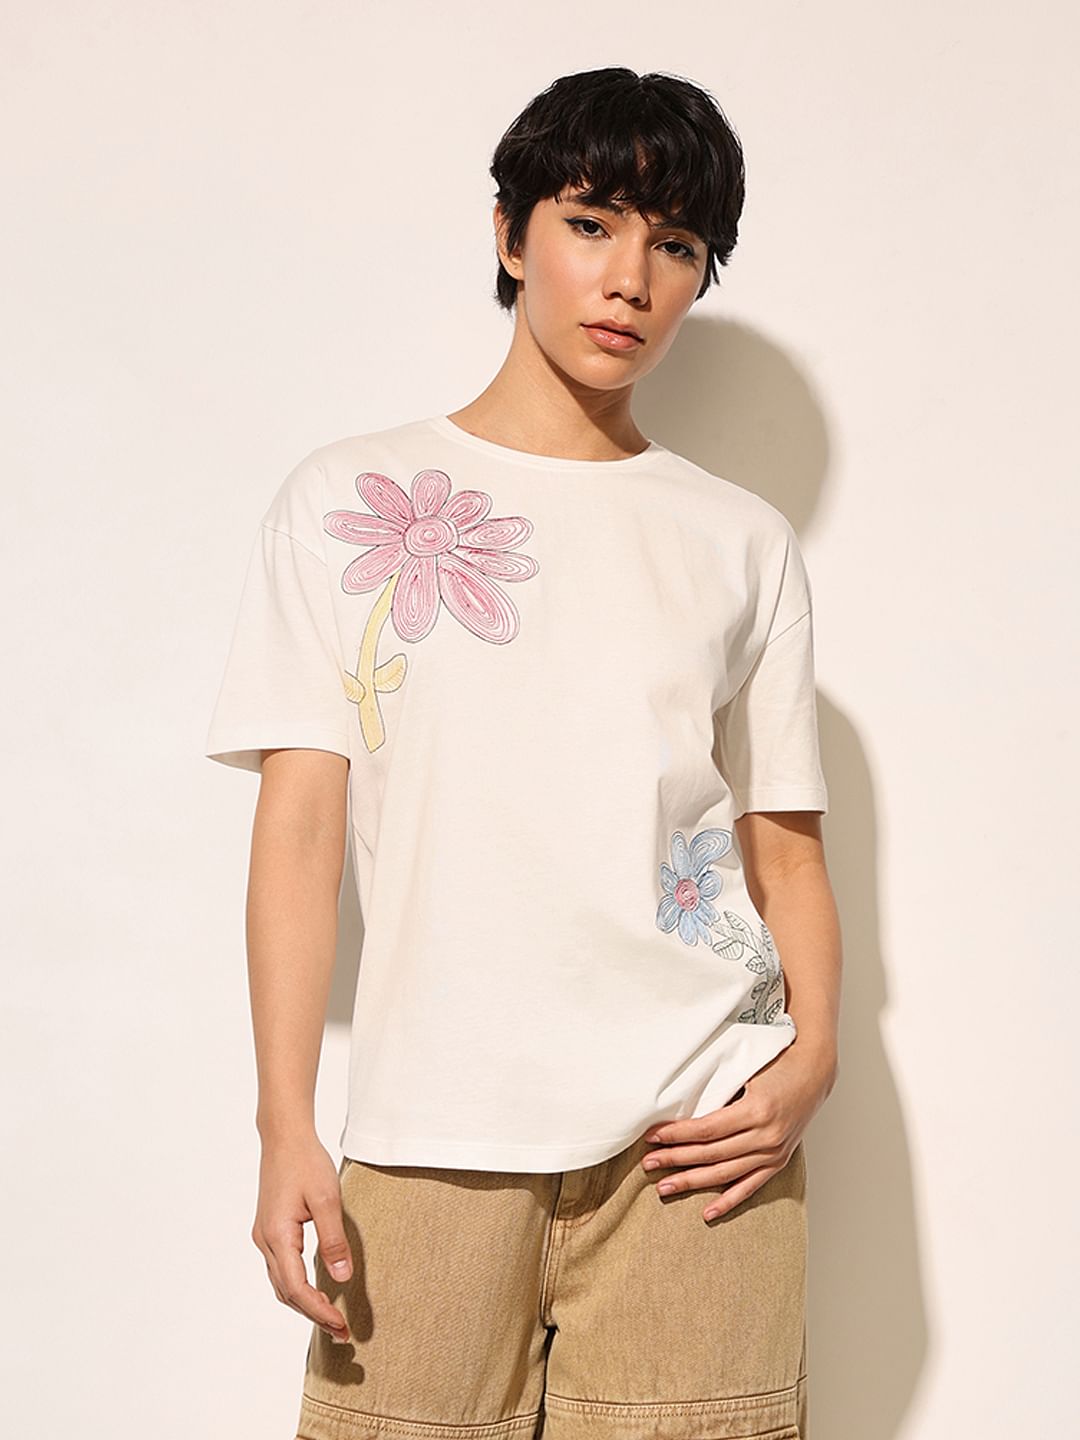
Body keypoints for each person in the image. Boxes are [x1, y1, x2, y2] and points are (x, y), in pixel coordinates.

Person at [205, 65, 842, 1440]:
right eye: (591, 223)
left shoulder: (742, 542)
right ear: (509, 233)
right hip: (432, 1130)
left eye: (677, 246)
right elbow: (299, 834)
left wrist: (815, 1058)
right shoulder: (350, 503)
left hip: (696, 1134)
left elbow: (784, 845)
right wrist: (283, 1122)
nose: (631, 280)